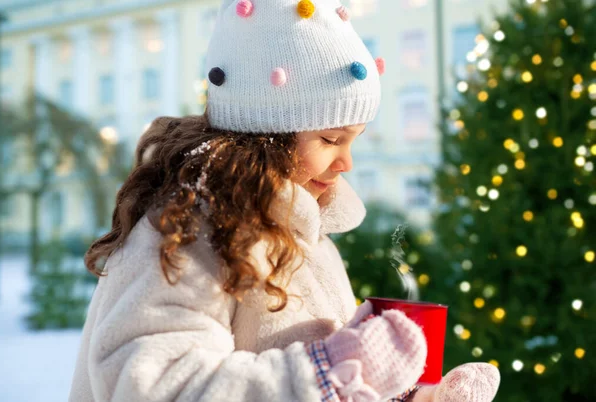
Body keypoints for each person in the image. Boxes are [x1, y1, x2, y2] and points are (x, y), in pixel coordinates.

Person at [69, 1, 500, 401]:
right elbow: (153, 382)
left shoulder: (306, 235)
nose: (346, 161)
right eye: (331, 139)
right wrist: (333, 371)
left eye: (355, 139)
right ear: (265, 137)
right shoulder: (193, 227)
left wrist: (398, 392)